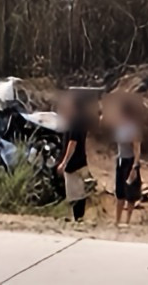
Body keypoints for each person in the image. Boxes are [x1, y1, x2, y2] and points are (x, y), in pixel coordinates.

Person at [56, 93, 91, 222]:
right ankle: (78, 217)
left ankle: (78, 218)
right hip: (81, 160)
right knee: (79, 192)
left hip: (74, 163)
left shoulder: (74, 122)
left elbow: (72, 143)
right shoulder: (82, 121)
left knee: (75, 194)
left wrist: (64, 162)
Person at [113, 96, 143, 227]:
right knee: (120, 192)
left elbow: (137, 149)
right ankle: (117, 220)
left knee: (130, 193)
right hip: (120, 160)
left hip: (130, 161)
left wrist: (135, 166)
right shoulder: (119, 128)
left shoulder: (133, 129)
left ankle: (127, 221)